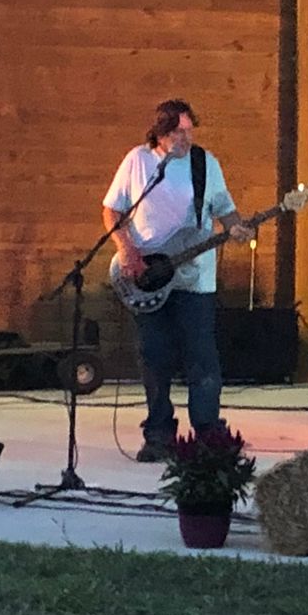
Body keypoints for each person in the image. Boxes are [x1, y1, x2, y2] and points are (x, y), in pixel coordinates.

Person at [102, 99, 254, 462]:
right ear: (160, 134)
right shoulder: (138, 161)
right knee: (154, 356)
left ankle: (208, 434)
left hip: (196, 279)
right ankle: (159, 434)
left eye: (189, 130)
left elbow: (225, 209)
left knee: (202, 357)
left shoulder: (205, 163)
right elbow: (112, 209)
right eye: (177, 132)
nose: (185, 138)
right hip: (149, 275)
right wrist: (126, 249)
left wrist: (237, 228)